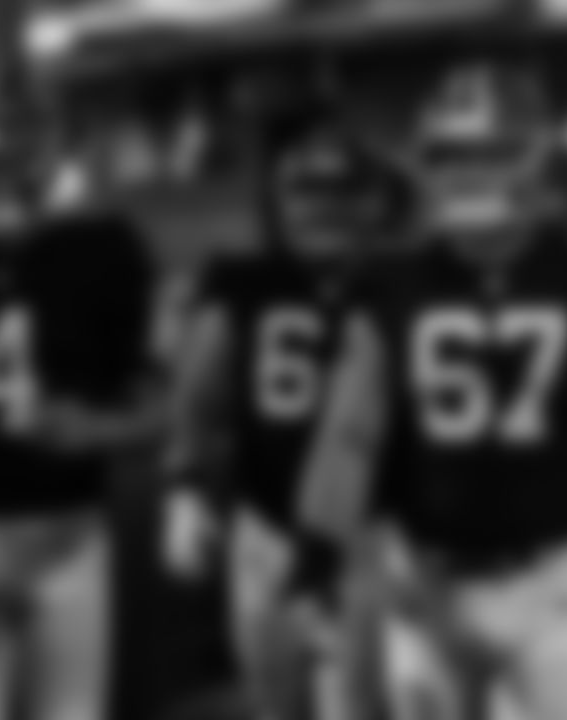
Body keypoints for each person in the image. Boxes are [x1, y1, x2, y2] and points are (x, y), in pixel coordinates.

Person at [295, 61, 567, 720]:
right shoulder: (394, 283)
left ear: (532, 159)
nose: (468, 174)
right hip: (429, 576)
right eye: (453, 155)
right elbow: (352, 433)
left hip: (556, 576)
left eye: (489, 154)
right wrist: (318, 555)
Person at [0, 114, 166, 720]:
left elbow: (161, 403)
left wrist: (95, 429)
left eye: (6, 165)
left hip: (70, 533)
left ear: (40, 173)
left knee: (72, 710)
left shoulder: (101, 253)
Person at [162, 95, 390, 720]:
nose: (324, 208)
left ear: (370, 203)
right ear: (282, 200)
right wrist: (185, 483)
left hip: (367, 534)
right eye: (309, 193)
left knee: (361, 705)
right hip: (266, 524)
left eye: (340, 193)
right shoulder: (244, 281)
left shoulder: (399, 284)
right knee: (276, 703)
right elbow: (197, 385)